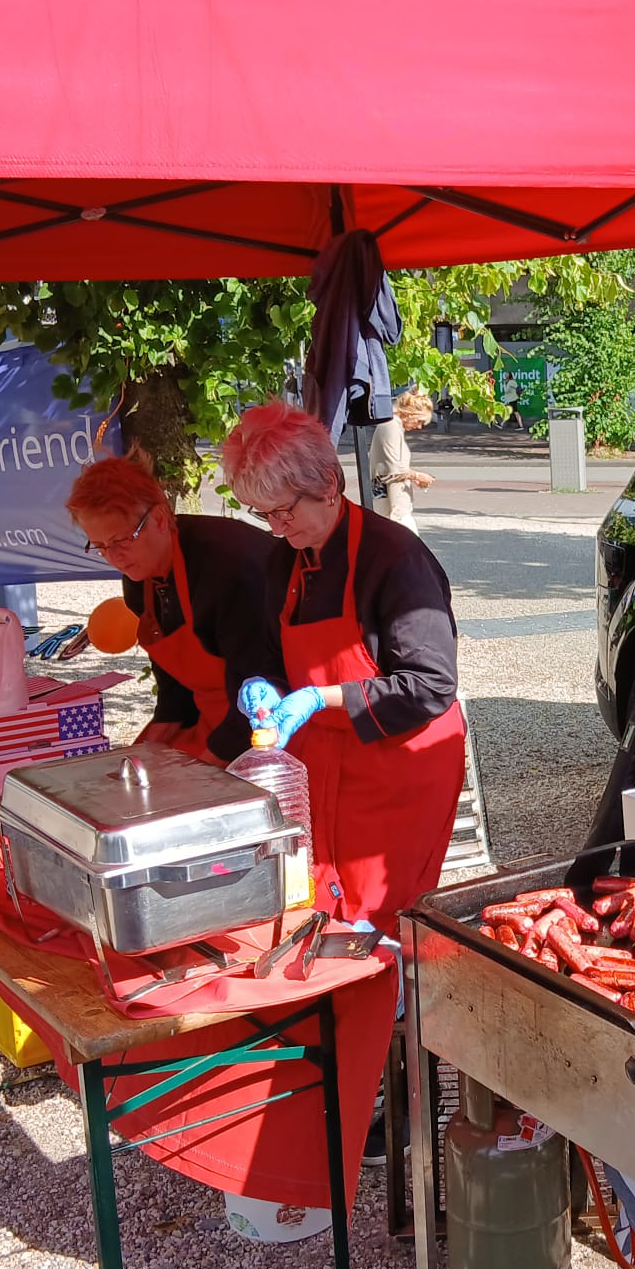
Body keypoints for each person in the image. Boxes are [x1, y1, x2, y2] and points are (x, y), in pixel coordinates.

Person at [222, 400, 466, 941]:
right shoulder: (283, 559)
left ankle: (395, 991)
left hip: (399, 766)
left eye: (285, 511)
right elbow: (270, 653)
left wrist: (318, 697)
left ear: (330, 484)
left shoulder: (395, 558)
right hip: (320, 762)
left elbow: (431, 685)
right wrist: (262, 685)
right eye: (263, 515)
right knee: (312, 901)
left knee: (378, 920)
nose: (277, 527)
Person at [65, 454, 279, 764]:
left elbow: (261, 691)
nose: (114, 557)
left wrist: (201, 775)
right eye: (100, 546)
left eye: (121, 540)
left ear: (160, 519)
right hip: (212, 722)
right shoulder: (140, 580)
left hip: (268, 727)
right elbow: (175, 695)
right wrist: (138, 759)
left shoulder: (230, 569)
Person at [369, 388, 436, 533]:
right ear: (410, 413)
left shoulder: (393, 426)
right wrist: (416, 476)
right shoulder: (391, 427)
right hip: (391, 507)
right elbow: (393, 469)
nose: (419, 427)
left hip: (392, 504)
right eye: (419, 421)